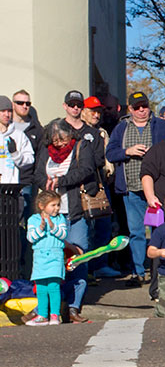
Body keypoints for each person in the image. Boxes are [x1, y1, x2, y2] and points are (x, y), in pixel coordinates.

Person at [34, 119, 98, 323]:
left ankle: (73, 306)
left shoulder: (81, 146)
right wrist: (45, 183)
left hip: (73, 210)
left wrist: (61, 181)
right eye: (56, 140)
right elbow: (36, 173)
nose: (61, 143)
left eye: (64, 139)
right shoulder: (45, 150)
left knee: (78, 257)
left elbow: (86, 170)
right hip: (50, 212)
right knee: (51, 260)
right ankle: (47, 308)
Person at [106, 92, 165, 285]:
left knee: (159, 230)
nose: (141, 110)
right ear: (130, 109)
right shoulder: (121, 128)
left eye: (144, 106)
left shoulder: (162, 126)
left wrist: (156, 153)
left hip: (157, 189)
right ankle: (138, 271)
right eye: (136, 107)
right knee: (136, 232)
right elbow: (110, 153)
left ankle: (159, 271)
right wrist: (128, 151)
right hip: (131, 189)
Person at [81, 96, 118, 278]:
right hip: (83, 186)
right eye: (92, 111)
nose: (96, 115)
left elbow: (108, 159)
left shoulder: (102, 133)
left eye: (98, 111)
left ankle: (100, 265)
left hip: (103, 184)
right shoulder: (78, 131)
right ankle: (85, 268)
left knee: (103, 225)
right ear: (83, 111)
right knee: (86, 228)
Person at [11, 89, 44, 272]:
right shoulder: (6, 128)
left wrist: (35, 181)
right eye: (20, 103)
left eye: (27, 103)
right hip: (5, 182)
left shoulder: (36, 130)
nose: (24, 106)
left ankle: (21, 265)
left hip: (26, 183)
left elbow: (39, 159)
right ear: (12, 105)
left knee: (23, 223)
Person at [25, 190, 67, 326]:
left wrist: (53, 226)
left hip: (55, 256)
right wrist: (41, 228)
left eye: (58, 205)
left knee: (53, 286)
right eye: (53, 205)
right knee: (41, 287)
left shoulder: (60, 219)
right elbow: (31, 238)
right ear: (42, 206)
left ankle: (55, 315)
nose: (56, 208)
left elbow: (63, 235)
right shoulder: (33, 219)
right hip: (40, 257)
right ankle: (42, 315)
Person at [0, 95, 34, 184]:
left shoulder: (19, 135)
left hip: (12, 187)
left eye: (9, 111)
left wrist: (15, 154)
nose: (7, 114)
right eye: (3, 111)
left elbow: (30, 160)